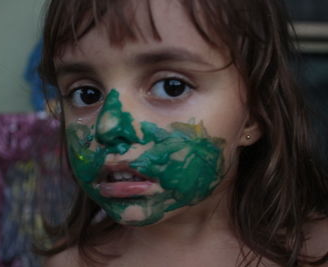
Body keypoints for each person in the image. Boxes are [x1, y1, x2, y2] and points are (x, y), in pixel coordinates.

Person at [38, 0, 328, 266]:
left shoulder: (316, 253)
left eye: (171, 87)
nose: (108, 127)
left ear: (253, 115)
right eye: (85, 94)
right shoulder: (69, 264)